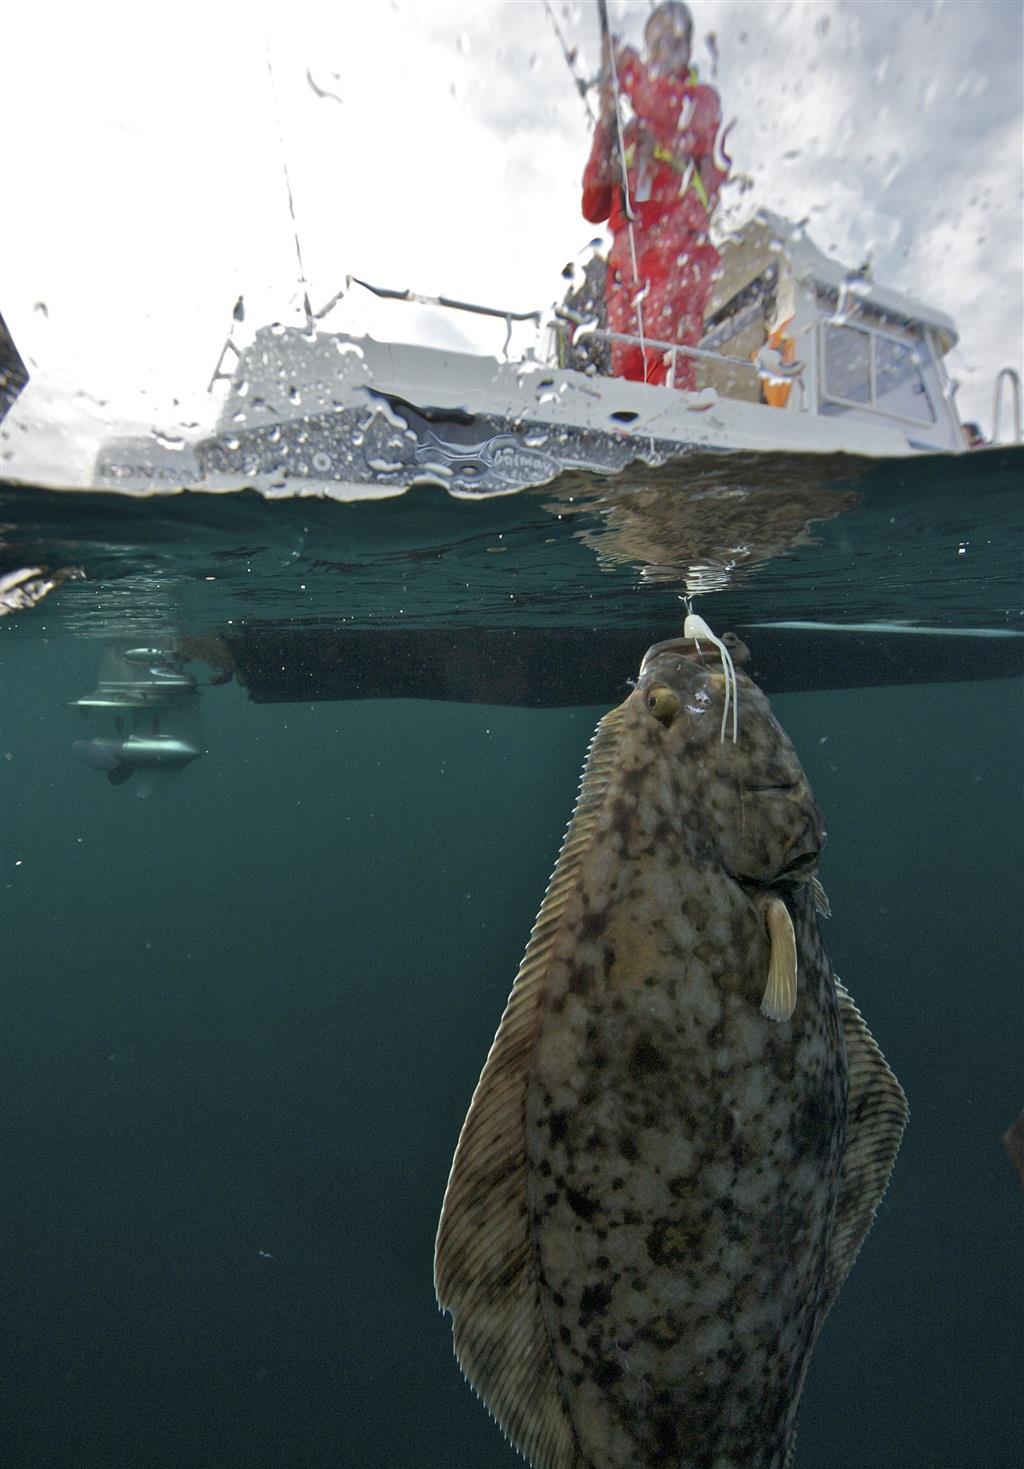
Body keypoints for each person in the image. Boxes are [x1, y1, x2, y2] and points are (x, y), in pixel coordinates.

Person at [582, 1, 728, 390]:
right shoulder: (633, 132)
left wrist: (624, 67)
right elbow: (593, 205)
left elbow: (668, 108)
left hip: (679, 257)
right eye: (653, 42)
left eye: (670, 39)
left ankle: (679, 447)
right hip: (626, 270)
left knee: (669, 373)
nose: (661, 48)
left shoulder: (701, 101)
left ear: (687, 47)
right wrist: (607, 120)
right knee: (628, 386)